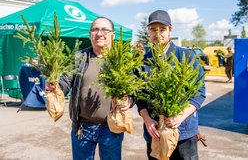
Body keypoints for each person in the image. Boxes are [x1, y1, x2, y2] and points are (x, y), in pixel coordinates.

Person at [46, 17, 135, 160]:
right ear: (90, 34)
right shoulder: (79, 57)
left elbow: (133, 89)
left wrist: (129, 101)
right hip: (82, 128)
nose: (100, 33)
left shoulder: (121, 60)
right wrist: (55, 86)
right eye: (95, 29)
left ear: (113, 34)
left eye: (105, 29)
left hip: (111, 127)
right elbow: (65, 81)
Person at [136, 10, 206, 160]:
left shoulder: (186, 57)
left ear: (170, 30)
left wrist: (180, 117)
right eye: (153, 30)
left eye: (162, 29)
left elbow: (199, 92)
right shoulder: (143, 62)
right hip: (154, 132)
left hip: (184, 134)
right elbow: (139, 97)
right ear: (148, 31)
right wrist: (147, 119)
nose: (158, 33)